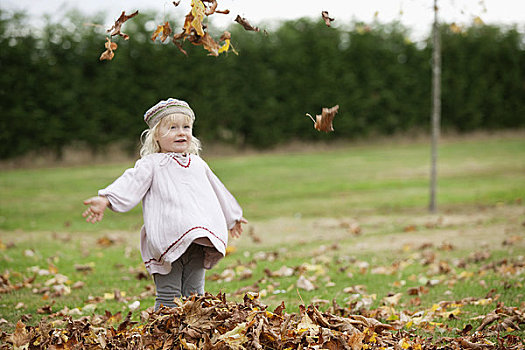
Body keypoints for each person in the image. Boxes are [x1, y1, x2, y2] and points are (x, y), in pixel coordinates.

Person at [82, 98, 247, 310]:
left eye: (186, 127)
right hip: (166, 239)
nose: (181, 133)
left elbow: (218, 190)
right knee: (169, 296)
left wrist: (232, 216)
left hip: (198, 241)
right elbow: (130, 182)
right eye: (172, 128)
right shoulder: (151, 164)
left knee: (195, 296)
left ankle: (193, 334)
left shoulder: (198, 163)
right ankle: (163, 335)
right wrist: (106, 198)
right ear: (156, 136)